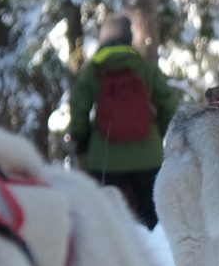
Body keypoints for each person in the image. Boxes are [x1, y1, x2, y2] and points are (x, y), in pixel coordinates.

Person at [68, 15, 178, 228]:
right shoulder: (143, 66)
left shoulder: (94, 69)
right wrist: (162, 133)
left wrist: (81, 139)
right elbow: (168, 103)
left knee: (104, 220)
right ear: (128, 38)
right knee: (153, 220)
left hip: (105, 159)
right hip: (148, 156)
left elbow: (79, 107)